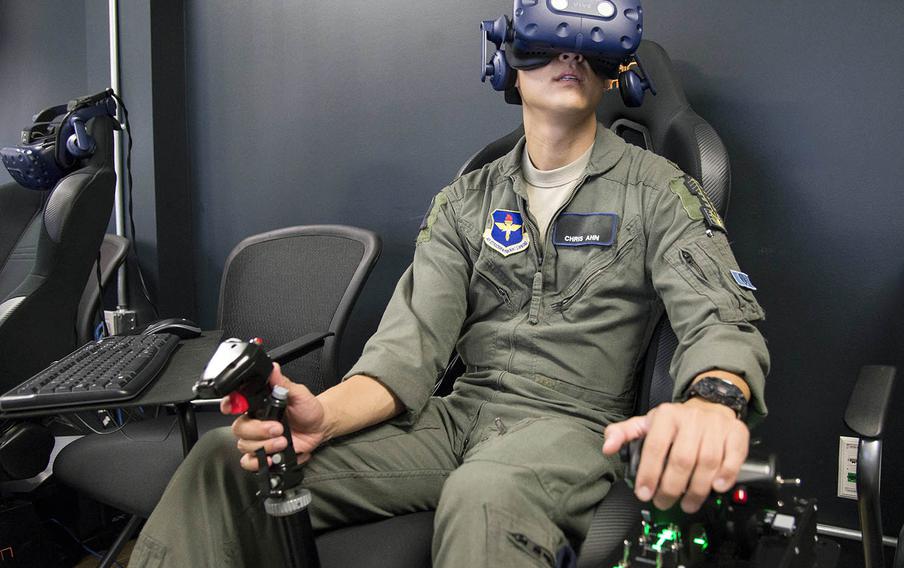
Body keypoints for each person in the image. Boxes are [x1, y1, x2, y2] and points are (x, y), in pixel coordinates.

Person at [130, 50, 768, 567]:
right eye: (548, 40)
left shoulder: (659, 190)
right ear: (508, 61)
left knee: (484, 493)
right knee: (228, 463)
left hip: (568, 424)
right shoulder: (465, 203)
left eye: (587, 44)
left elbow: (721, 318)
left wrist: (713, 402)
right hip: (456, 416)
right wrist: (321, 416)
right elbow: (407, 350)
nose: (569, 57)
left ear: (613, 69)